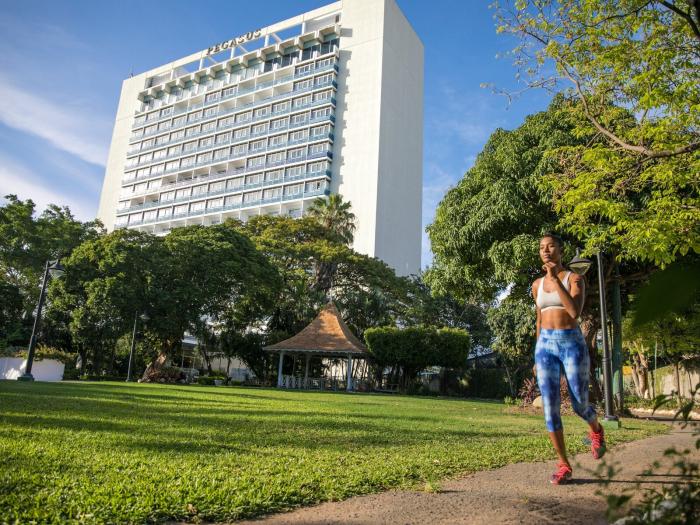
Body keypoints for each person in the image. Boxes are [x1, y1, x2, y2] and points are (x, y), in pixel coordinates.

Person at [532, 233, 606, 484]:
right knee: (549, 408)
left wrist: (555, 279)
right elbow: (539, 320)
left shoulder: (574, 279)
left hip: (571, 343)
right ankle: (564, 464)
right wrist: (536, 354)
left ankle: (596, 430)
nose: (546, 250)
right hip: (545, 346)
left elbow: (574, 312)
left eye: (551, 246)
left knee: (579, 404)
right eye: (542, 247)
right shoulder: (536, 285)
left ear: (560, 251)